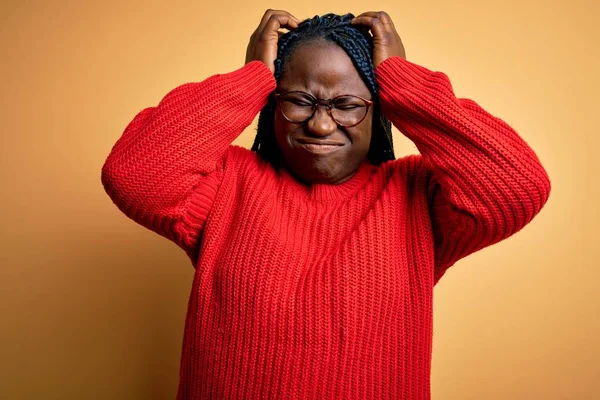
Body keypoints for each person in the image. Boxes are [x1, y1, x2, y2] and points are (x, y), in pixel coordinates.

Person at [101, 10, 551, 399]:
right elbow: (134, 175)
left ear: (380, 111)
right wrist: (251, 77)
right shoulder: (226, 185)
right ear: (272, 104)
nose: (320, 124)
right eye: (299, 100)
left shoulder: (416, 196)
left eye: (347, 104)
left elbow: (519, 187)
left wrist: (404, 81)